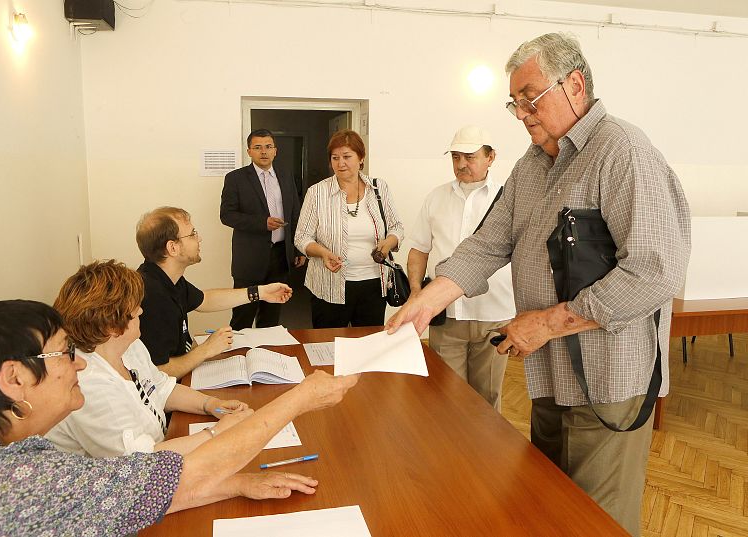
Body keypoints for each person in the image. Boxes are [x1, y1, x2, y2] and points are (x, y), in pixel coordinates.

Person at [387, 33, 690, 535]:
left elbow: (655, 271)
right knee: (546, 513)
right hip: (549, 379)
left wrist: (548, 324)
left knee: (594, 523)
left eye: (531, 98)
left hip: (608, 383)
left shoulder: (623, 151)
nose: (523, 114)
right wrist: (426, 301)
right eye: (515, 103)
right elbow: (488, 244)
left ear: (575, 85)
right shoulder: (532, 164)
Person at [0, 300, 359, 536]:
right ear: (14, 378)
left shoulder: (9, 456)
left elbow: (130, 493)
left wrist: (235, 483)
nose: (80, 364)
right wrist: (299, 398)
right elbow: (166, 480)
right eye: (65, 353)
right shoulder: (9, 482)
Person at [45, 260, 252, 458]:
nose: (142, 310)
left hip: (160, 448)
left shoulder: (128, 345)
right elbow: (141, 460)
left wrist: (212, 404)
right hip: (136, 471)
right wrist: (216, 433)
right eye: (135, 309)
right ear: (112, 327)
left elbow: (161, 388)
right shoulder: (89, 384)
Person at [407, 126, 515, 411]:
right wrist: (417, 293)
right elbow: (418, 248)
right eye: (456, 157)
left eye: (469, 156)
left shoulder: (509, 199)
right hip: (446, 314)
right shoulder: (436, 197)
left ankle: (486, 442)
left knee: (487, 398)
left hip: (494, 314)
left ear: (490, 157)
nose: (461, 164)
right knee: (446, 396)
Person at [136, 206, 292, 379]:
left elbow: (205, 300)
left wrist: (260, 292)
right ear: (173, 248)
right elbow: (159, 372)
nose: (199, 238)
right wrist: (206, 349)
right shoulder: (152, 297)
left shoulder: (164, 277)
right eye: (192, 234)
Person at [295, 129, 404, 328]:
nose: (340, 163)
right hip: (329, 285)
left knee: (368, 341)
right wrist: (323, 252)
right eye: (335, 158)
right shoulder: (317, 193)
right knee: (328, 342)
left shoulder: (379, 188)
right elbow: (302, 237)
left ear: (361, 158)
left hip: (374, 284)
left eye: (347, 156)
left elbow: (396, 227)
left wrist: (389, 242)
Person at [221, 128, 306, 330]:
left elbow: (295, 213)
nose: (264, 151)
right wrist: (262, 223)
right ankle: (240, 350)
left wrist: (298, 249)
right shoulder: (235, 178)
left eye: (268, 147)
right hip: (249, 258)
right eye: (258, 147)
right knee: (243, 316)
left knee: (271, 316)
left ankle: (266, 350)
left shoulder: (286, 176)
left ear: (275, 150)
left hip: (280, 256)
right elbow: (227, 215)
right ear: (249, 151)